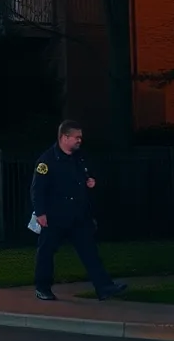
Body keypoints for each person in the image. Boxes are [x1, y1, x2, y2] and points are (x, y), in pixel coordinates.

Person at [31, 120, 128, 301]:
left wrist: (90, 181)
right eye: (76, 137)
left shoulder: (79, 157)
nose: (79, 141)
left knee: (90, 252)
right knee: (46, 252)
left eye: (80, 138)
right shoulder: (46, 161)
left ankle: (104, 287)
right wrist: (40, 213)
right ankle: (42, 287)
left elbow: (84, 176)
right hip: (55, 216)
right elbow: (37, 189)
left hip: (78, 215)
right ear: (64, 137)